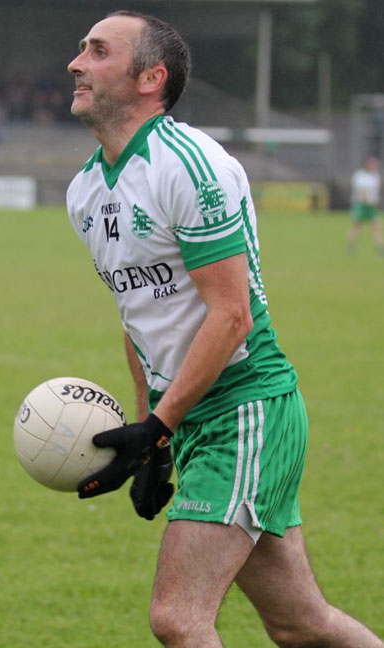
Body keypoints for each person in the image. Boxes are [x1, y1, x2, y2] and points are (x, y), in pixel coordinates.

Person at [66, 10, 383, 648]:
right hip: (195, 418)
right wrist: (153, 431)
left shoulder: (190, 164)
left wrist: (159, 425)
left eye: (98, 52)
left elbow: (231, 315)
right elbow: (137, 315)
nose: (76, 63)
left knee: (179, 618)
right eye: (81, 50)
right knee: (302, 624)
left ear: (150, 77)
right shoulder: (83, 191)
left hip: (246, 409)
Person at [347, 156, 384, 254]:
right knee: (356, 225)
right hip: (361, 204)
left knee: (377, 225)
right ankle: (351, 246)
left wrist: (374, 202)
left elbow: (374, 192)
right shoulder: (360, 175)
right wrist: (366, 200)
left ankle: (379, 247)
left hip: (371, 205)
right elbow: (360, 191)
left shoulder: (375, 176)